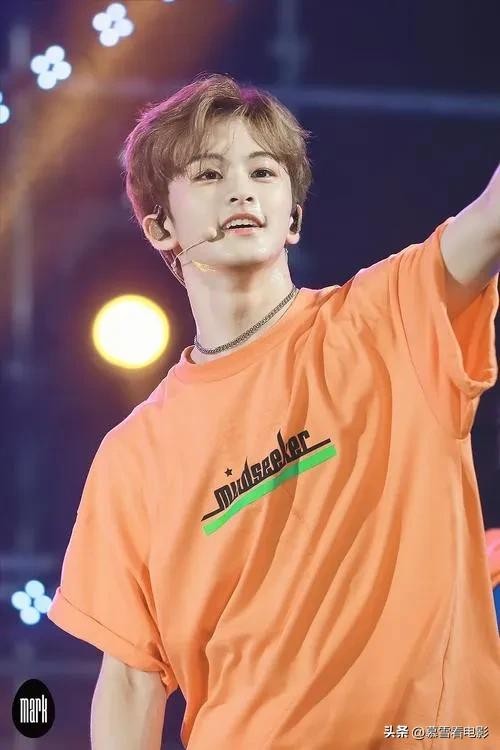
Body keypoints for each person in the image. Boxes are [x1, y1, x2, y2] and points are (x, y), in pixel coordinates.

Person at [47, 72, 500, 749]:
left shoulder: (389, 318)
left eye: (263, 172)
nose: (242, 190)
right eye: (208, 174)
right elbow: (132, 681)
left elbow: (491, 220)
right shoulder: (134, 453)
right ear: (161, 227)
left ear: (293, 216)